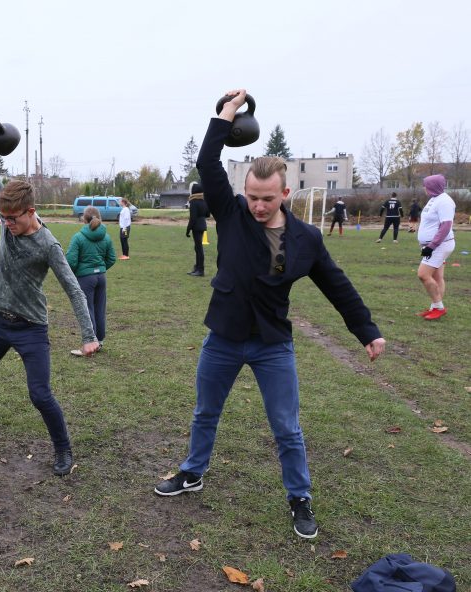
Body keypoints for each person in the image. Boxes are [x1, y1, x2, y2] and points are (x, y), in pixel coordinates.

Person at [153, 91, 386, 541]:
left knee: (286, 428)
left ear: (285, 192)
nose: (258, 206)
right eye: (252, 197)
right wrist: (224, 116)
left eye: (267, 199)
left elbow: (339, 287)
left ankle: (299, 498)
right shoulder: (232, 213)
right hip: (222, 336)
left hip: (272, 344)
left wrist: (367, 331)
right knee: (205, 413)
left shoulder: (307, 239)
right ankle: (192, 472)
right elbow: (207, 161)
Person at [0, 112, 99, 477]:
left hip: (31, 327)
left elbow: (74, 290)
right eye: (4, 219)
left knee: (39, 394)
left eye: (13, 220)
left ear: (30, 212)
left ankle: (63, 450)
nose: (7, 225)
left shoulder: (48, 245)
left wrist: (89, 335)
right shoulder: (7, 216)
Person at [66, 205, 115, 355]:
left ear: (84, 219)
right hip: (101, 278)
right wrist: (100, 269)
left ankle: (91, 342)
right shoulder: (106, 237)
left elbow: (70, 261)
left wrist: (80, 272)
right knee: (99, 309)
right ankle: (99, 341)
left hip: (85, 279)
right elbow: (111, 258)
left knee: (88, 310)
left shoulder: (78, 237)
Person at [415, 174, 456, 320]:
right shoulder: (434, 199)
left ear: (433, 186)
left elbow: (446, 226)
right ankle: (435, 306)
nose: (424, 187)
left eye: (426, 185)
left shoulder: (445, 202)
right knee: (437, 276)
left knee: (423, 274)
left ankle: (439, 307)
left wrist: (431, 246)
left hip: (439, 245)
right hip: (434, 245)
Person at [185, 182, 210, 276]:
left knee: (199, 248)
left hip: (196, 227)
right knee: (198, 248)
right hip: (203, 225)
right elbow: (207, 214)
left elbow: (193, 218)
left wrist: (188, 229)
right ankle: (197, 267)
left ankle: (200, 269)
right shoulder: (204, 200)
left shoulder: (193, 201)